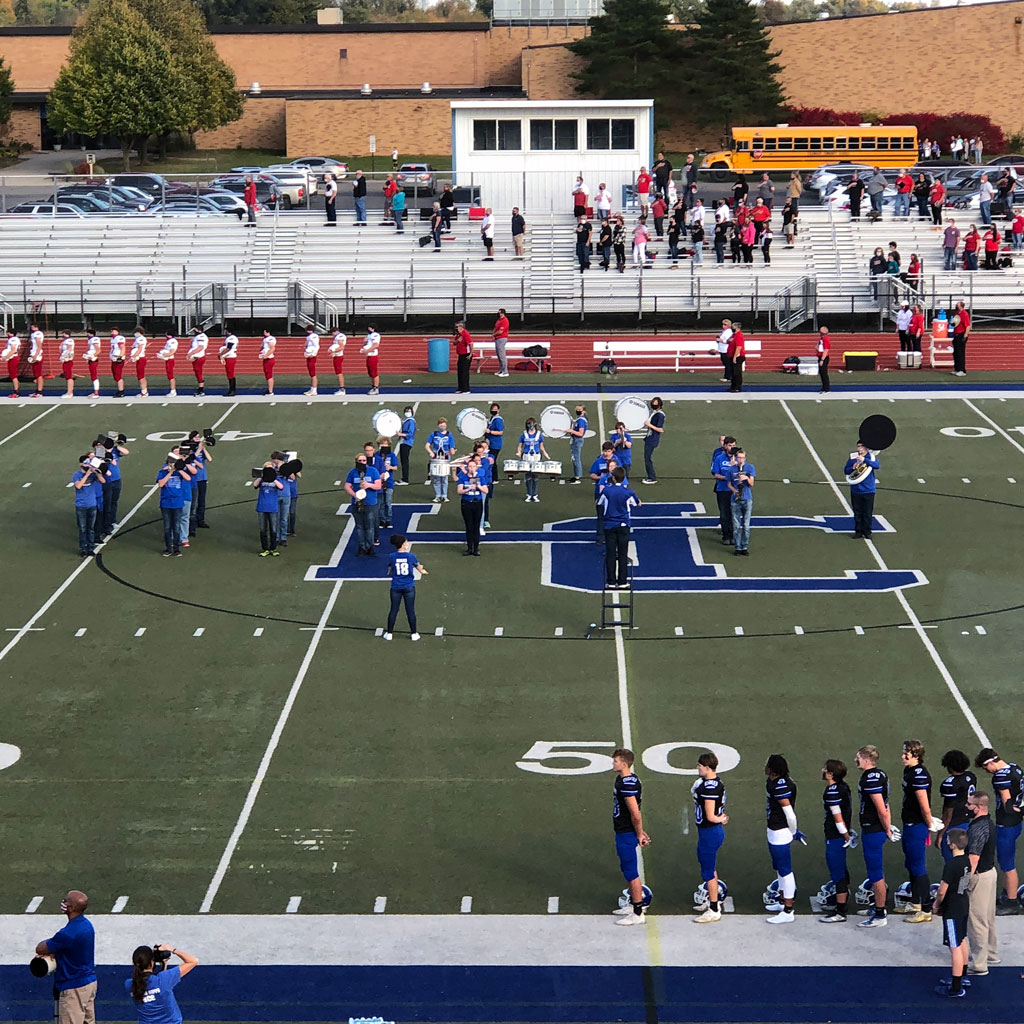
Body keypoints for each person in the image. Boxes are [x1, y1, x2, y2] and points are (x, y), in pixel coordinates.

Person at [974, 748, 1023, 916]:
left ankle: (1011, 901)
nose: (986, 771)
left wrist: (1017, 810)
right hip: (1016, 824)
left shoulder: (1000, 776)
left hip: (1006, 825)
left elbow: (1008, 805)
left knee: (1007, 865)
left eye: (985, 767)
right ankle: (1006, 894)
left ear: (990, 763)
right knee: (1006, 863)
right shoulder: (1015, 768)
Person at [35, 890, 96, 1024]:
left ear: (72, 908)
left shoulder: (68, 933)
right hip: (89, 983)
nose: (63, 902)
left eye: (66, 901)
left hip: (73, 987)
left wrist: (53, 949)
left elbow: (40, 948)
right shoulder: (87, 925)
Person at [609, 748, 651, 926]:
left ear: (624, 764)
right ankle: (633, 903)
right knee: (627, 869)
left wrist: (639, 832)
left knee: (630, 871)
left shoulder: (627, 784)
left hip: (626, 831)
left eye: (616, 761)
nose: (613, 763)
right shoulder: (625, 779)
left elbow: (635, 813)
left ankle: (638, 911)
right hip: (624, 829)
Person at [854, 745, 893, 928]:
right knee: (876, 871)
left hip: (873, 829)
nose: (856, 760)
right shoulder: (881, 775)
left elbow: (880, 807)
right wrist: (887, 826)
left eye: (858, 757)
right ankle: (878, 907)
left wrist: (887, 828)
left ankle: (880, 914)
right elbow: (887, 806)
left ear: (866, 758)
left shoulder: (870, 778)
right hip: (876, 828)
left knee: (875, 873)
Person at [898, 739, 935, 923]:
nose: (903, 756)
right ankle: (915, 902)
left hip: (917, 825)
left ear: (916, 755)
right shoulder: (909, 771)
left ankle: (926, 909)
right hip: (910, 823)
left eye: (907, 753)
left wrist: (929, 823)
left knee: (918, 866)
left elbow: (924, 804)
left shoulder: (919, 775)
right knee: (911, 864)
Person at [932, 830, 972, 998]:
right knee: (961, 939)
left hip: (952, 908)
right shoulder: (966, 861)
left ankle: (956, 987)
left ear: (953, 844)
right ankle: (962, 976)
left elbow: (942, 891)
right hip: (963, 904)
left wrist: (936, 905)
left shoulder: (952, 864)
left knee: (954, 946)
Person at [764, 754, 802, 924]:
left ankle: (788, 909)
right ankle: (782, 902)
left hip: (781, 831)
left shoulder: (781, 786)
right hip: (774, 829)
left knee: (785, 870)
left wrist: (794, 832)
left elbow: (790, 814)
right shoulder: (775, 781)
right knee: (780, 868)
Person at [692, 751, 729, 924]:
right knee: (709, 869)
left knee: (708, 870)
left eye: (700, 765)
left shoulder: (709, 787)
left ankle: (714, 908)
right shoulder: (713, 782)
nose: (698, 768)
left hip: (710, 831)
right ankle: (712, 901)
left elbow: (710, 815)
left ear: (707, 767)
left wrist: (720, 818)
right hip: (710, 832)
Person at [965, 791, 998, 976]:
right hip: (990, 873)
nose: (967, 807)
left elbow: (973, 859)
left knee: (976, 920)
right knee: (988, 917)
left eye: (969, 804)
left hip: (979, 877)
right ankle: (991, 954)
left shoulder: (977, 828)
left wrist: (964, 884)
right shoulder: (988, 823)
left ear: (978, 808)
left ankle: (979, 964)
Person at [818, 759, 854, 923]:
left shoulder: (832, 791)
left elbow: (837, 816)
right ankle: (843, 902)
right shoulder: (843, 787)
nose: (823, 771)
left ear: (831, 774)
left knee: (837, 872)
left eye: (825, 769)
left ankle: (841, 911)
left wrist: (845, 834)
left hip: (836, 836)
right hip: (839, 834)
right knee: (841, 871)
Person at [126, 944, 198, 1024]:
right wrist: (173, 950)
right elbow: (193, 961)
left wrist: (163, 968)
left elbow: (152, 987)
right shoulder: (164, 979)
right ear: (152, 962)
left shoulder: (129, 985)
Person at [599, 466, 639, 589]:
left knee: (610, 554)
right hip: (623, 525)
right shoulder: (628, 492)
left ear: (614, 478)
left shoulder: (607, 491)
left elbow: (600, 502)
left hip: (609, 525)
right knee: (623, 554)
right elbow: (637, 503)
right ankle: (622, 581)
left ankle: (611, 581)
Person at [936, 749, 978, 862]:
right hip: (968, 823)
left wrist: (940, 834)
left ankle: (954, 880)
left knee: (952, 861)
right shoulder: (970, 776)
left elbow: (948, 812)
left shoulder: (950, 783)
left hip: (954, 826)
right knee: (967, 859)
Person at [384, 534, 425, 641]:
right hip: (408, 586)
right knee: (410, 610)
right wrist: (423, 570)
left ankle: (389, 633)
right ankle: (414, 633)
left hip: (396, 586)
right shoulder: (411, 556)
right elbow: (419, 568)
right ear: (403, 544)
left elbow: (389, 571)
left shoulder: (392, 556)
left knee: (393, 609)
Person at [345, 450, 381, 556]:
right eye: (360, 460)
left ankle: (369, 546)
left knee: (369, 526)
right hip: (357, 503)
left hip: (370, 503)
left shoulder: (373, 471)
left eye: (364, 460)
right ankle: (361, 546)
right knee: (360, 526)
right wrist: (355, 495)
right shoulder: (352, 472)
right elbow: (347, 486)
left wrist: (368, 485)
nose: (362, 462)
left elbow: (378, 486)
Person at [843, 440, 878, 539]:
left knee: (867, 512)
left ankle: (867, 531)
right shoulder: (853, 457)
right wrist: (852, 468)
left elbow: (877, 465)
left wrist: (865, 460)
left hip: (868, 490)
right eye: (858, 446)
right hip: (856, 490)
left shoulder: (870, 457)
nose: (859, 449)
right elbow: (846, 470)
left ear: (866, 448)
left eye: (862, 447)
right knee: (857, 512)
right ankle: (858, 531)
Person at [156, 453, 189, 557]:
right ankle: (168, 548)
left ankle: (176, 548)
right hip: (166, 503)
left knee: (176, 526)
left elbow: (188, 478)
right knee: (167, 527)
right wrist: (170, 472)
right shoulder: (162, 473)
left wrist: (179, 469)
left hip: (177, 503)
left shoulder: (180, 473)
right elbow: (161, 484)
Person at [724, 447, 755, 555]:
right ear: (736, 458)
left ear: (745, 458)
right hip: (736, 500)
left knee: (746, 525)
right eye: (739, 458)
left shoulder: (750, 468)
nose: (741, 460)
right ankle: (737, 547)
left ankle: (744, 546)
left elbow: (752, 484)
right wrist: (734, 491)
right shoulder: (731, 470)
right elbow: (728, 484)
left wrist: (746, 478)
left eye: (742, 458)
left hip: (747, 499)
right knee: (736, 525)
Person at [456, 456, 487, 556]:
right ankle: (469, 548)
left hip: (477, 502)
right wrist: (467, 489)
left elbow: (486, 490)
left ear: (476, 467)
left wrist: (478, 486)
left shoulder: (480, 478)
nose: (472, 468)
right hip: (466, 503)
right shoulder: (463, 477)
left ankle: (476, 548)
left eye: (474, 466)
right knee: (469, 526)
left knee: (476, 526)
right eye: (470, 466)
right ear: (467, 467)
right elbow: (459, 491)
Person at [101, 433, 130, 538]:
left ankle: (112, 521)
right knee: (106, 503)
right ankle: (105, 524)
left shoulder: (116, 451)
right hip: (107, 480)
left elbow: (126, 452)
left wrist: (116, 445)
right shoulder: (101, 453)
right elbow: (111, 463)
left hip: (116, 479)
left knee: (113, 502)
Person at [252, 462, 283, 556]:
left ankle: (273, 548)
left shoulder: (276, 479)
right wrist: (262, 476)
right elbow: (255, 485)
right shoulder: (261, 480)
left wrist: (272, 478)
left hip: (272, 507)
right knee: (263, 529)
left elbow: (281, 487)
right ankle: (265, 548)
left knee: (273, 529)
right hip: (262, 507)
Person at [516, 416, 550, 502]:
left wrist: (545, 454)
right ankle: (528, 494)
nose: (530, 425)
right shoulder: (524, 434)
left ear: (534, 424)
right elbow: (520, 446)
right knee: (528, 476)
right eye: (528, 424)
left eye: (531, 424)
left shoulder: (539, 434)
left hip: (536, 456)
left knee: (535, 476)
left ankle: (535, 494)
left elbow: (541, 446)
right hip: (526, 456)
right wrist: (519, 452)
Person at [73, 456, 101, 556]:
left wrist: (97, 472)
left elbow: (102, 481)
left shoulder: (93, 475)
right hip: (81, 506)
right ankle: (83, 548)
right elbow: (78, 485)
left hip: (92, 504)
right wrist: (87, 474)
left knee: (91, 528)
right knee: (82, 528)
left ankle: (90, 548)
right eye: (85, 463)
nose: (87, 465)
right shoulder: (76, 475)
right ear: (81, 464)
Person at [712, 435, 737, 547]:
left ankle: (733, 535)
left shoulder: (738, 458)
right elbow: (715, 474)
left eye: (734, 445)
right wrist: (727, 477)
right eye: (730, 445)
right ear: (725, 445)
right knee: (724, 513)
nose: (732, 447)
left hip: (735, 490)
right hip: (722, 489)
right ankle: (726, 536)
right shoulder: (719, 458)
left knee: (734, 513)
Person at [425, 417, 456, 501]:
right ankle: (438, 495)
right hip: (436, 455)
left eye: (444, 425)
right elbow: (427, 445)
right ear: (438, 425)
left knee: (444, 476)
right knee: (436, 477)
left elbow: (452, 447)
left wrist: (452, 451)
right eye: (441, 425)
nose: (442, 427)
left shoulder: (449, 435)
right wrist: (431, 452)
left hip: (445, 455)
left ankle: (444, 495)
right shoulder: (434, 434)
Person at [641, 397, 665, 484]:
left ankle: (652, 477)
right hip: (649, 437)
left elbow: (660, 429)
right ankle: (650, 476)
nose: (654, 404)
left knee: (647, 458)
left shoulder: (660, 415)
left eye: (655, 403)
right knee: (647, 458)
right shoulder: (655, 413)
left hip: (652, 439)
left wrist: (649, 425)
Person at [375, 435, 397, 529]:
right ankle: (382, 520)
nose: (384, 446)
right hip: (379, 481)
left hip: (389, 481)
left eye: (385, 444)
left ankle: (388, 519)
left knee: (388, 502)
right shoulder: (376, 455)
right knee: (381, 502)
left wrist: (390, 467)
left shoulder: (391, 455)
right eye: (382, 444)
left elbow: (395, 467)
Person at [567, 404, 587, 483]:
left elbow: (580, 433)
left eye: (580, 410)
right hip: (575, 439)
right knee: (574, 458)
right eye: (577, 409)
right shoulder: (579, 419)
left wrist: (571, 431)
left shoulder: (581, 420)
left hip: (577, 440)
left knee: (576, 458)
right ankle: (576, 475)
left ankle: (578, 476)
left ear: (583, 411)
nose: (578, 411)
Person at [951, 300, 971, 376]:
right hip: (956, 334)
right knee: (955, 353)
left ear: (961, 306)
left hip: (961, 335)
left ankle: (962, 370)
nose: (956, 306)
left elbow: (968, 326)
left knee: (960, 353)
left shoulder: (965, 314)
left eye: (957, 305)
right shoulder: (957, 314)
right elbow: (954, 324)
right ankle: (957, 368)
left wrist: (965, 336)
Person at [186, 330, 207, 397]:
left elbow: (200, 347)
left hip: (198, 356)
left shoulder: (201, 336)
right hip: (196, 356)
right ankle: (200, 389)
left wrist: (191, 353)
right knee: (197, 372)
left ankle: (201, 390)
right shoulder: (198, 336)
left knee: (198, 372)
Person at [397, 405, 416, 484]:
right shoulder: (406, 420)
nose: (408, 413)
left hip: (406, 443)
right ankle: (404, 478)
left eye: (409, 411)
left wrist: (400, 434)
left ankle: (405, 479)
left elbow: (410, 434)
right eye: (406, 411)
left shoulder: (411, 421)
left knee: (405, 461)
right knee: (403, 460)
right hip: (403, 442)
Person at [453, 320, 472, 394]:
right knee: (460, 371)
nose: (456, 328)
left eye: (457, 327)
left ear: (461, 327)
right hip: (460, 355)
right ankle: (460, 387)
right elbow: (454, 343)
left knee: (464, 372)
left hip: (466, 355)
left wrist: (470, 354)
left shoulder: (465, 334)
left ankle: (466, 389)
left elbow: (471, 343)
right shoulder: (458, 334)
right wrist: (457, 341)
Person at [217, 332, 238, 396]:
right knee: (229, 374)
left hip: (230, 357)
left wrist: (221, 354)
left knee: (230, 373)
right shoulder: (229, 338)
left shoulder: (232, 338)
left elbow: (229, 347)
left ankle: (232, 390)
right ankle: (231, 389)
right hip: (228, 357)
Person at [361, 324, 380, 395]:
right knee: (371, 373)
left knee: (374, 373)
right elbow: (367, 344)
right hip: (369, 356)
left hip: (373, 355)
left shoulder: (375, 335)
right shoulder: (369, 335)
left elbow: (375, 345)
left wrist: (367, 350)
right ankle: (373, 387)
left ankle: (376, 388)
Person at [727, 321, 746, 393]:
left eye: (733, 328)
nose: (732, 329)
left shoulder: (739, 336)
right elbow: (728, 341)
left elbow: (738, 347)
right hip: (731, 355)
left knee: (737, 372)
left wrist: (735, 357)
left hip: (738, 356)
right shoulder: (734, 335)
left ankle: (738, 387)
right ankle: (733, 386)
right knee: (732, 372)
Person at [109, 326, 127, 398]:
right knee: (115, 375)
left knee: (118, 375)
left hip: (118, 359)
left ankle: (121, 391)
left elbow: (122, 347)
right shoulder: (113, 339)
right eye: (112, 331)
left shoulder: (119, 338)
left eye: (114, 331)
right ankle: (120, 390)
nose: (112, 332)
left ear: (117, 332)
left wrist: (120, 356)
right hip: (114, 358)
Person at [27, 323, 44, 397]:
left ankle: (39, 391)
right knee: (36, 374)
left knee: (38, 374)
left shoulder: (37, 334)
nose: (31, 328)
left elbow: (39, 345)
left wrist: (36, 355)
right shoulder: (34, 334)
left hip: (37, 355)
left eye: (32, 327)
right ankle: (37, 391)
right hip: (34, 353)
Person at [258, 329, 276, 396]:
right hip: (266, 358)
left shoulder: (270, 339)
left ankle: (271, 391)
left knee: (269, 375)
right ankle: (269, 389)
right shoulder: (265, 339)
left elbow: (272, 348)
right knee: (267, 374)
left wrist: (266, 355)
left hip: (269, 358)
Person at [84, 329, 101, 397]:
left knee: (94, 376)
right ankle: (95, 392)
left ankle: (96, 393)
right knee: (92, 376)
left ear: (91, 334)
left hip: (94, 359)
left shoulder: (94, 339)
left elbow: (98, 350)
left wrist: (93, 356)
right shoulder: (90, 340)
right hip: (91, 359)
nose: (87, 335)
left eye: (87, 333)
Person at [303, 328, 320, 397]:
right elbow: (306, 345)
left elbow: (316, 346)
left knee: (313, 374)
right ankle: (312, 389)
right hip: (309, 354)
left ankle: (314, 390)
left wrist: (313, 354)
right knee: (311, 373)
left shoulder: (313, 336)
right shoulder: (309, 337)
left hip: (312, 355)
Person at [59, 331, 75, 398]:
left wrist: (64, 356)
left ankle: (69, 393)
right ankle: (69, 392)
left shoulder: (69, 340)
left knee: (69, 376)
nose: (62, 335)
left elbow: (69, 349)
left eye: (64, 333)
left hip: (68, 360)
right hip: (65, 360)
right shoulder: (64, 341)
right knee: (67, 376)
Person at [816, 325, 831, 394]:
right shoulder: (822, 339)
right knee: (822, 373)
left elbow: (826, 350)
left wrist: (822, 359)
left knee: (824, 373)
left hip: (824, 357)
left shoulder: (826, 339)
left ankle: (826, 388)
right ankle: (824, 387)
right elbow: (818, 347)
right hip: (821, 357)